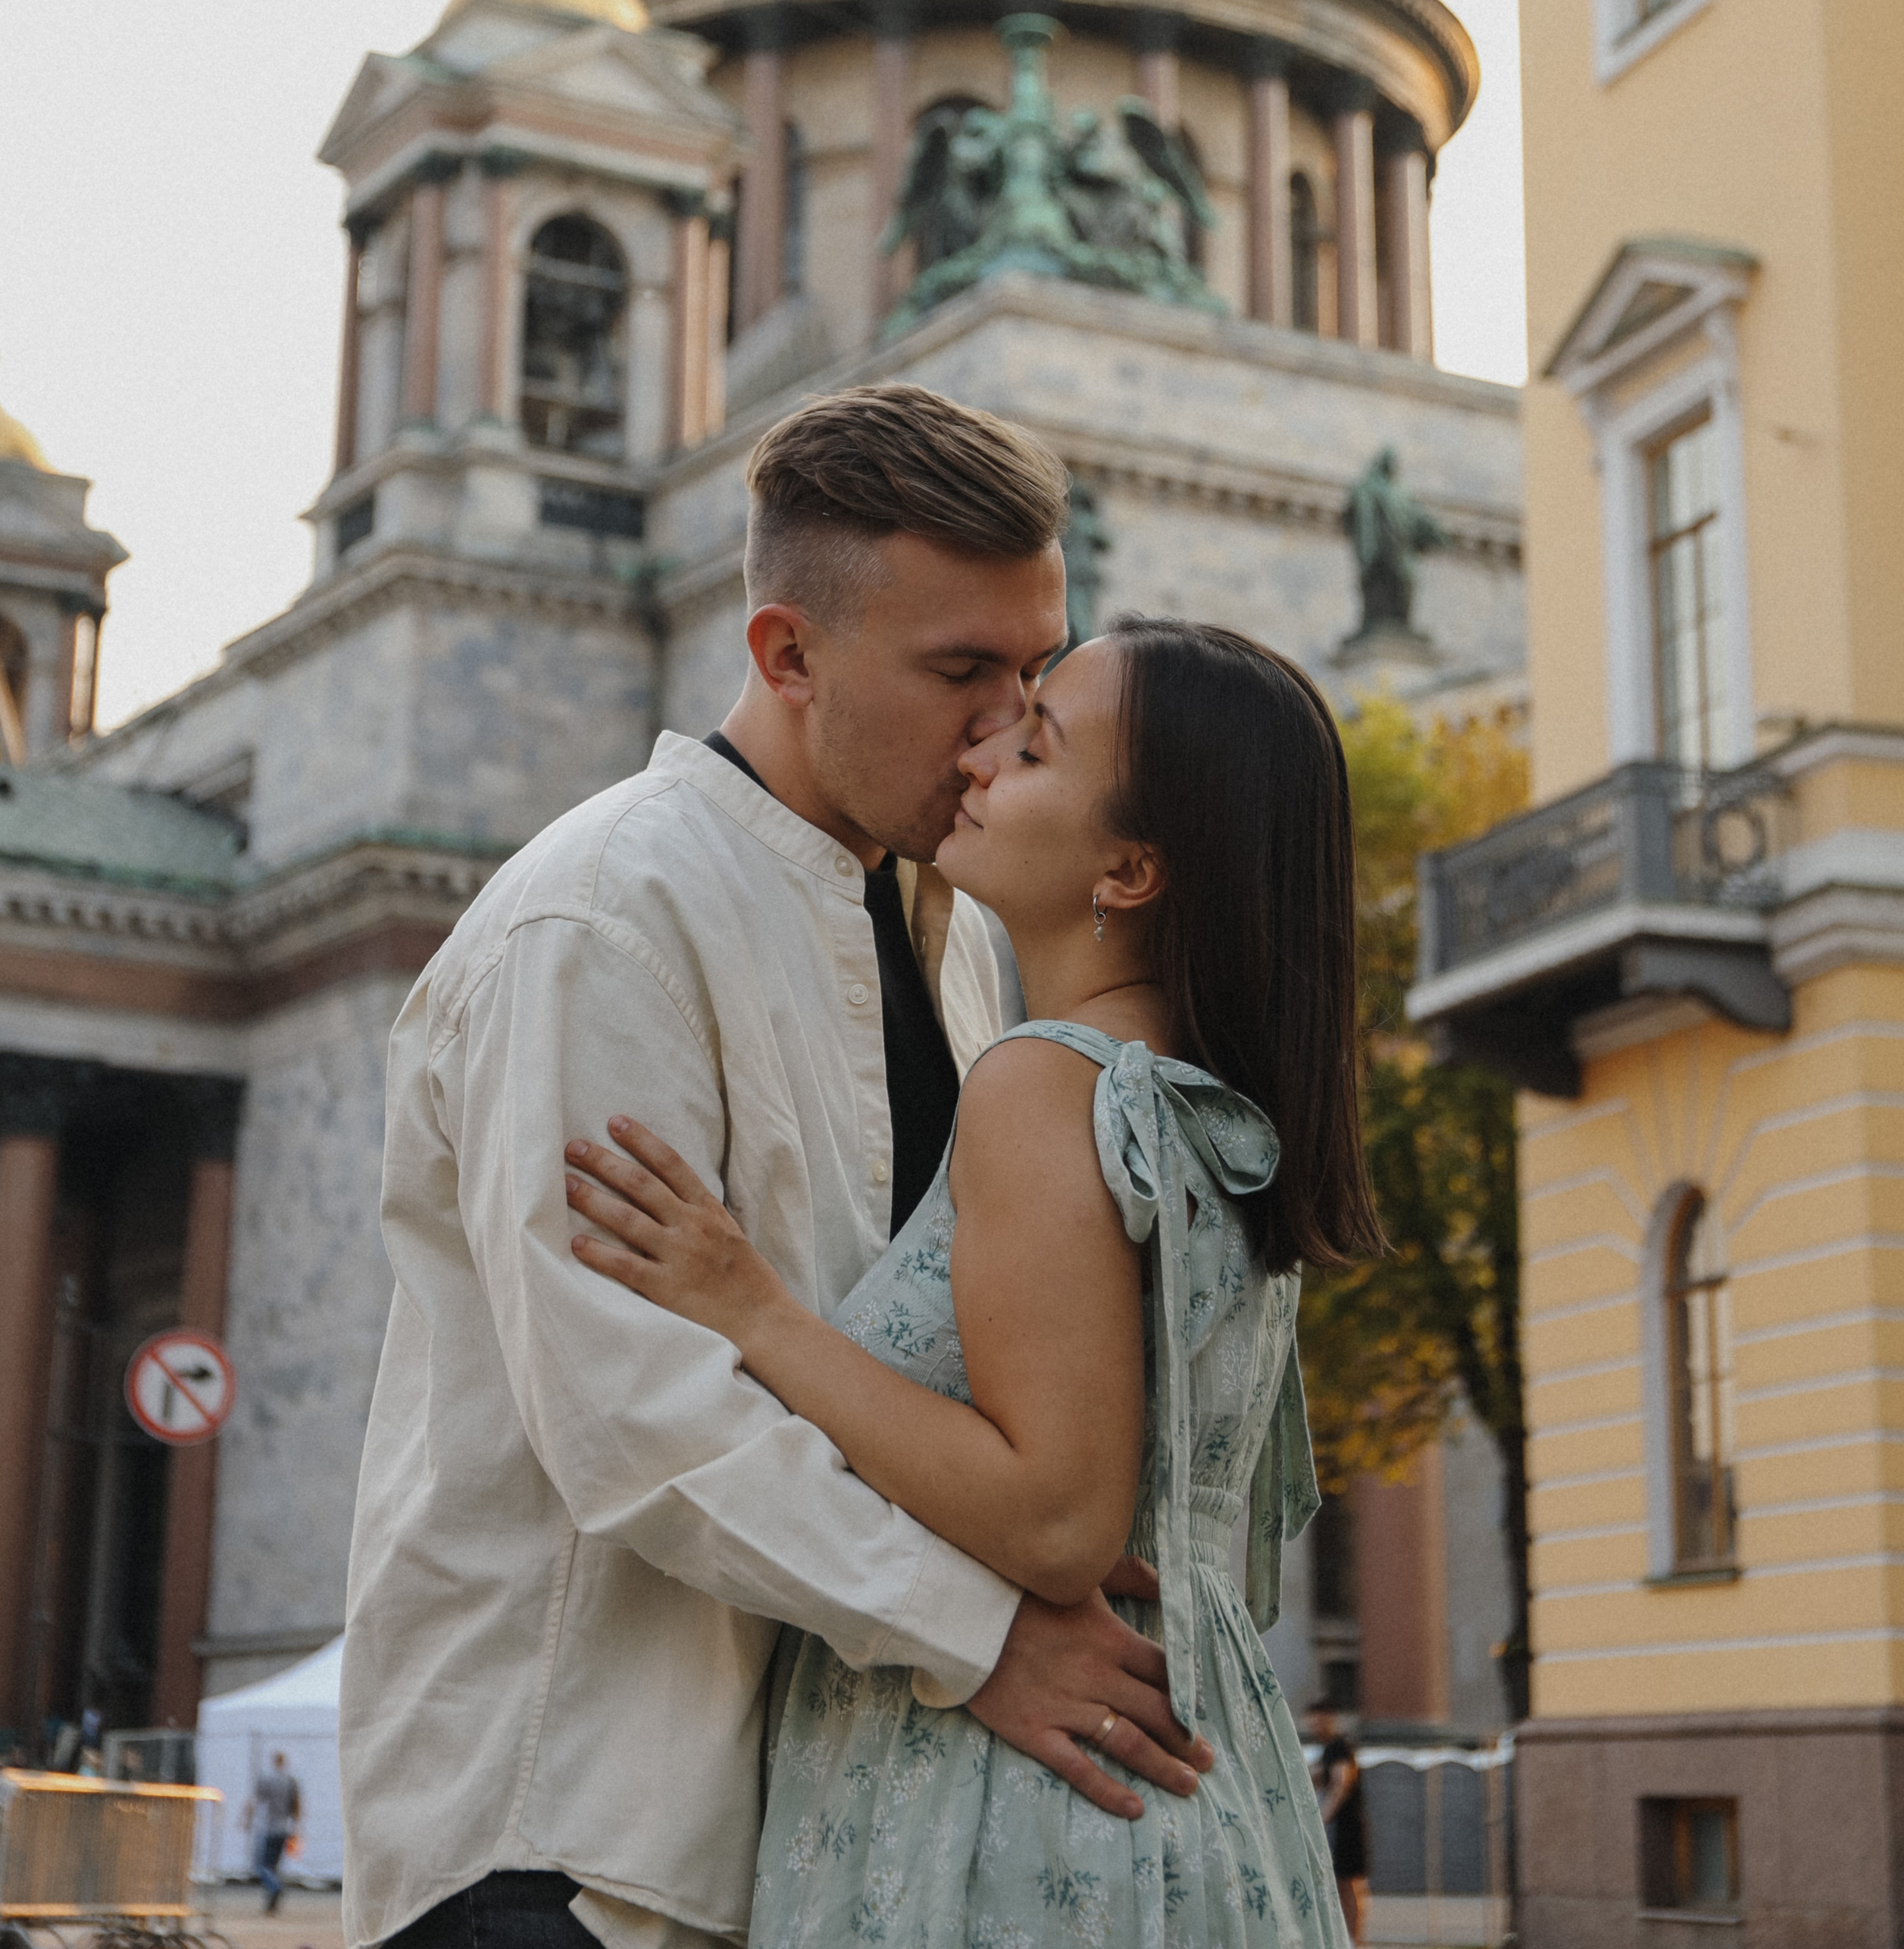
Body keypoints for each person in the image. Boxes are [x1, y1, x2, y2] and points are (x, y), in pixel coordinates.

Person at [339, 386, 1209, 1949]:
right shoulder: (600, 919)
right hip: (570, 1849)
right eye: (961, 671)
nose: (1005, 725)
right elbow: (635, 1419)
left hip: (808, 1838)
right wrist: (981, 1635)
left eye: (1034, 670)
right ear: (787, 654)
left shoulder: (952, 932)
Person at [567, 614, 1382, 1944]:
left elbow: (1057, 1522)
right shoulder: (1198, 1105)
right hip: (1192, 1781)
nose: (984, 753)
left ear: (1129, 868)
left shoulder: (1044, 1083)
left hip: (1011, 1805)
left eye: (1037, 746)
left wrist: (754, 1310)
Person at [1308, 1702, 1369, 1942]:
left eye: (1318, 1721)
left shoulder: (1338, 1747)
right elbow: (1314, 1777)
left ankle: (1354, 1940)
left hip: (1347, 1827)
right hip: (1339, 1828)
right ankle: (1347, 1938)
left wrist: (1322, 1817)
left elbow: (1341, 1782)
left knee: (1349, 1884)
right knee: (1342, 1883)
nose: (1313, 1727)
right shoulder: (1328, 1750)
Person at [248, 1753, 302, 1914]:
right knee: (274, 1866)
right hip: (284, 1827)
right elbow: (297, 1804)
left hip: (268, 1827)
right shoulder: (291, 1780)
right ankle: (271, 1904)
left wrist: (247, 1820)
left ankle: (275, 1887)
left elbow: (255, 1801)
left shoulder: (266, 1779)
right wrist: (296, 1827)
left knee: (262, 1866)